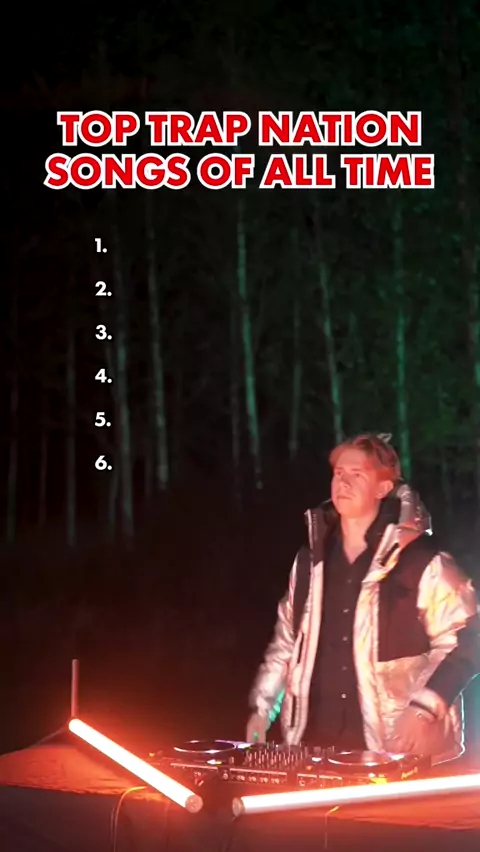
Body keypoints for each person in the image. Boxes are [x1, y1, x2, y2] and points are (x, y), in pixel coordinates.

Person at [246, 434, 480, 761]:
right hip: (314, 746)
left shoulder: (421, 560)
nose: (343, 482)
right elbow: (287, 643)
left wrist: (423, 707)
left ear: (383, 488)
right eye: (339, 473)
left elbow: (467, 637)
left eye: (357, 474)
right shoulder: (310, 561)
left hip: (395, 751)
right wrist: (262, 707)